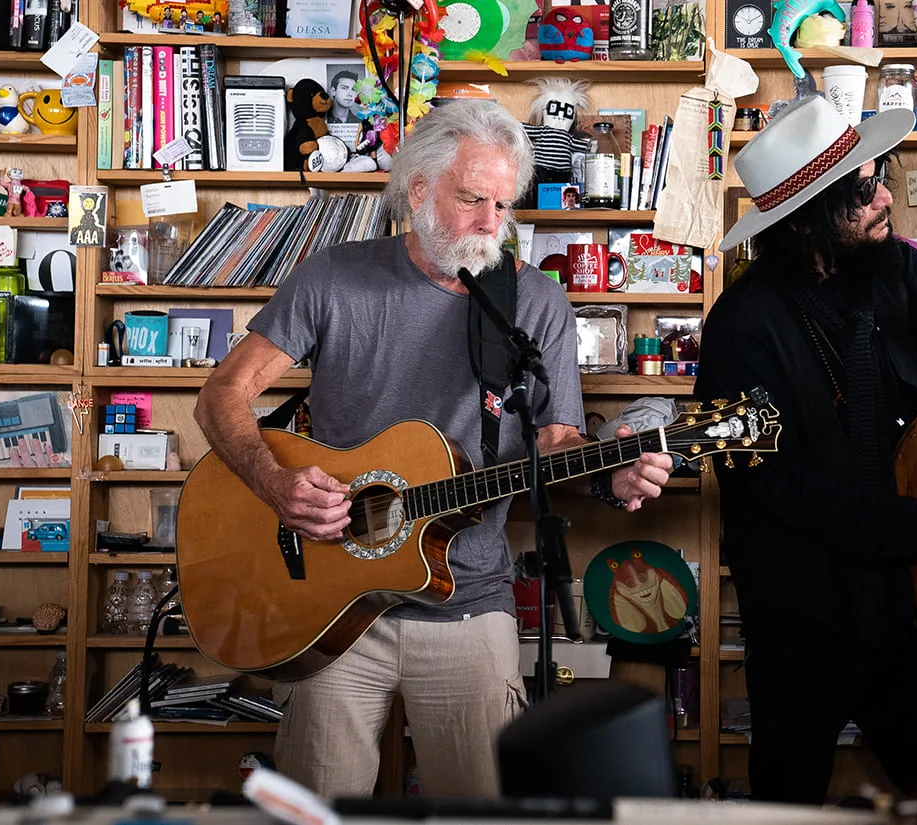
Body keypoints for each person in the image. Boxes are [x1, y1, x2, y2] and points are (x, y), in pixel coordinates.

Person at [194, 100, 673, 799]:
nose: (491, 223)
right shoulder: (335, 276)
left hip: (469, 604)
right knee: (316, 812)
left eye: (503, 204)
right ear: (418, 189)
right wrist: (274, 482)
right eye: (473, 199)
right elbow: (221, 395)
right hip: (326, 607)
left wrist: (613, 468)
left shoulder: (534, 303)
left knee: (482, 815)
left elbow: (556, 444)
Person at [694, 96, 917, 804]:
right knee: (786, 801)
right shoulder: (736, 327)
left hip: (910, 607)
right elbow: (770, 487)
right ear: (805, 216)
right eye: (864, 190)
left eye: (880, 175)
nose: (887, 196)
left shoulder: (891, 268)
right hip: (802, 617)